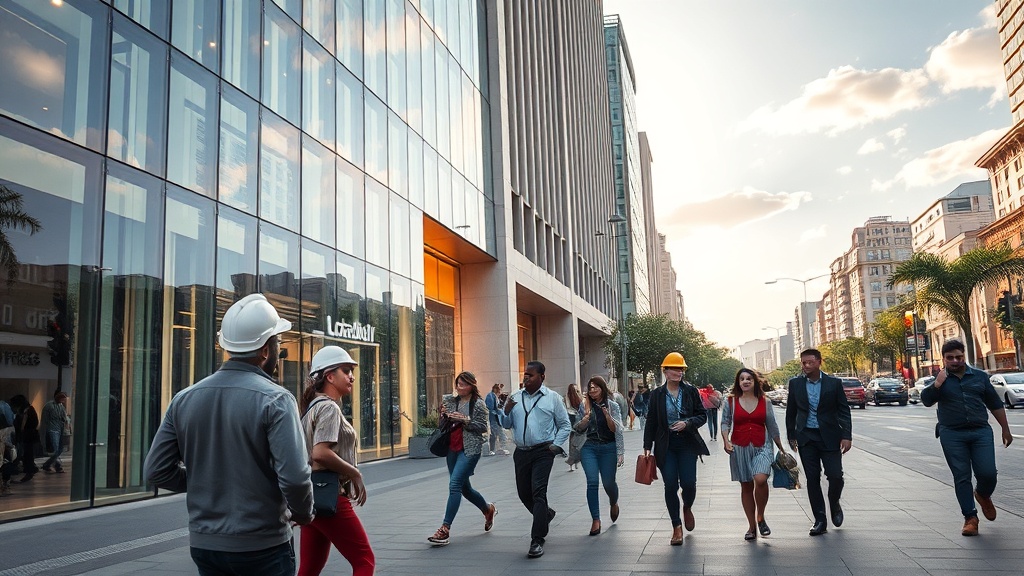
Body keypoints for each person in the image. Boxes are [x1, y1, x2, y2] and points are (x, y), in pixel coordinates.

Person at [144, 293, 314, 576]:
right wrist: (304, 513)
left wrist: (204, 479)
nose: (279, 352)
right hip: (263, 544)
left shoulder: (184, 399)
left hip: (205, 545)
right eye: (278, 344)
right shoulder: (277, 400)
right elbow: (295, 477)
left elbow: (156, 471)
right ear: (264, 350)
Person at [921, 339, 1013, 536]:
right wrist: (937, 384)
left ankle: (983, 494)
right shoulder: (939, 378)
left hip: (980, 432)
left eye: (959, 357)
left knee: (988, 473)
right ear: (943, 359)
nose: (955, 361)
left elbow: (995, 404)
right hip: (952, 434)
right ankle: (970, 518)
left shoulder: (979, 377)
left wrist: (1005, 429)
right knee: (961, 476)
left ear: (964, 356)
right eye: (950, 358)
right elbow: (927, 401)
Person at [298, 346, 374, 575]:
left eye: (352, 371)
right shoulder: (329, 408)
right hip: (330, 496)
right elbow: (320, 453)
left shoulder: (312, 407)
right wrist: (355, 473)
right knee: (364, 561)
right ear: (329, 376)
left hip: (312, 496)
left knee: (309, 569)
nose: (351, 376)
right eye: (346, 370)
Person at [497, 360, 572, 559]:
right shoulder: (515, 397)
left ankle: (537, 539)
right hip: (521, 452)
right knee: (524, 493)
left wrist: (555, 445)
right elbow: (506, 424)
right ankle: (545, 515)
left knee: (539, 492)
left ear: (542, 377)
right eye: (525, 374)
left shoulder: (553, 399)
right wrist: (504, 411)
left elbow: (565, 425)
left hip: (543, 451)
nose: (526, 378)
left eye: (530, 375)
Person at [643, 352, 709, 545]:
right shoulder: (657, 394)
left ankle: (687, 506)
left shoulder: (690, 391)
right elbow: (652, 421)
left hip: (687, 444)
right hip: (666, 445)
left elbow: (702, 415)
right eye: (674, 368)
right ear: (665, 371)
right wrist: (647, 446)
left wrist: (687, 423)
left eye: (681, 369)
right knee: (670, 485)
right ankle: (676, 527)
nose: (678, 372)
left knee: (689, 483)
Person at [785, 348, 852, 537]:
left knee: (835, 475)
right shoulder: (795, 384)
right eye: (803, 363)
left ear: (819, 362)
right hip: (806, 437)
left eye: (809, 362)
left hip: (830, 437)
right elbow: (791, 411)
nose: (805, 366)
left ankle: (834, 502)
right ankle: (820, 520)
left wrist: (847, 435)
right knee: (812, 478)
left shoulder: (833, 383)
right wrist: (792, 435)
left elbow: (843, 411)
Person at [426, 371, 496, 547]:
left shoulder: (479, 405)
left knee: (455, 484)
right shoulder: (451, 401)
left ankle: (445, 528)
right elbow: (441, 426)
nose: (459, 387)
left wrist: (465, 420)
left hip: (470, 449)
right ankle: (488, 509)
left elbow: (483, 427)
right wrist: (443, 415)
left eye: (463, 384)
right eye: (458, 384)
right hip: (452, 448)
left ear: (472, 385)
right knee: (465, 488)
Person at [720, 369, 788, 540]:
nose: (745, 381)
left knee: (761, 479)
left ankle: (761, 517)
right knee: (746, 486)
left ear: (754, 382)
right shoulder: (731, 401)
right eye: (742, 379)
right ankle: (752, 526)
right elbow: (725, 422)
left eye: (749, 378)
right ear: (738, 382)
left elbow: (772, 425)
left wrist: (781, 447)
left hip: (762, 445)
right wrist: (725, 440)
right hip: (739, 447)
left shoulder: (765, 402)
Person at [575, 376, 624, 536]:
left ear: (602, 388)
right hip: (588, 447)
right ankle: (596, 519)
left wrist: (620, 452)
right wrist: (584, 420)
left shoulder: (613, 406)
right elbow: (577, 428)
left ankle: (613, 501)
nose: (592, 390)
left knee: (609, 483)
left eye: (595, 387)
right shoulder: (584, 407)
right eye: (590, 388)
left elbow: (617, 429)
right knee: (592, 482)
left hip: (608, 448)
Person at [10, 395, 40, 483]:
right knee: (27, 454)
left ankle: (29, 471)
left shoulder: (27, 411)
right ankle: (30, 470)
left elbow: (23, 425)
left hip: (27, 436)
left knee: (27, 454)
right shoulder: (27, 410)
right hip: (27, 436)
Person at [40, 391, 70, 474]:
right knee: (56, 449)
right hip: (52, 429)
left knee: (60, 449)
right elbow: (44, 419)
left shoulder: (61, 406)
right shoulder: (49, 406)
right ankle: (57, 466)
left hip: (60, 429)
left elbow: (64, 417)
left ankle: (47, 464)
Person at [485, 384, 510, 456]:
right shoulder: (490, 396)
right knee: (495, 434)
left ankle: (499, 448)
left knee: (497, 434)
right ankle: (494, 449)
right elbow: (490, 408)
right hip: (494, 418)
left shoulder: (495, 396)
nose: (501, 391)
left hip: (497, 418)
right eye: (500, 389)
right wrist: (498, 412)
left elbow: (498, 407)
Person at [565, 383, 584, 471]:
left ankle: (574, 461)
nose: (576, 392)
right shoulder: (568, 397)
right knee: (573, 443)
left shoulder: (580, 398)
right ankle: (573, 462)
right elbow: (568, 408)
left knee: (576, 443)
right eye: (575, 390)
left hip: (577, 421)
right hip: (574, 421)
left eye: (577, 390)